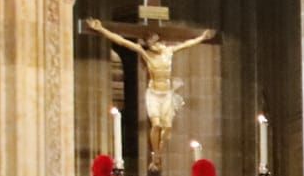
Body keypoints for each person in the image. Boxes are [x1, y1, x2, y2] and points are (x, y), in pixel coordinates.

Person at [83, 18, 214, 166]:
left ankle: (158, 155)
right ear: (148, 45)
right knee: (156, 125)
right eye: (152, 42)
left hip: (167, 94)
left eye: (157, 41)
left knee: (168, 129)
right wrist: (101, 29)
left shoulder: (169, 52)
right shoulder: (146, 55)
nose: (156, 44)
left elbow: (186, 44)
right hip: (154, 93)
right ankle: (156, 156)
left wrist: (202, 37)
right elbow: (122, 42)